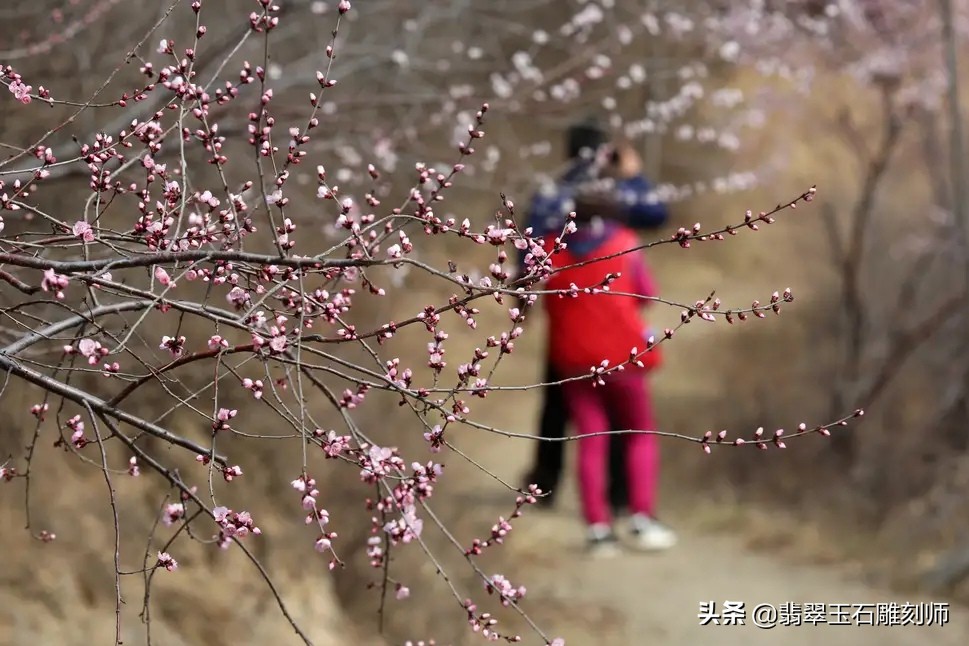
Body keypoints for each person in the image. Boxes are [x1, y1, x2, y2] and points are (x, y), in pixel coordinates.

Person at [519, 118, 669, 512]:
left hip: (567, 319)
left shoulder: (552, 193)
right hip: (616, 322)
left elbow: (527, 250)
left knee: (558, 407)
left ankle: (545, 484)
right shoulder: (615, 194)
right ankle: (621, 496)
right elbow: (656, 214)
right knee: (621, 417)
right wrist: (633, 176)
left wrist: (522, 299)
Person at [540, 210, 675, 556]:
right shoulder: (626, 243)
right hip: (623, 355)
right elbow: (646, 295)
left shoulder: (551, 248)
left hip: (574, 357)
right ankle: (640, 517)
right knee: (640, 433)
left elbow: (545, 300)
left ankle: (598, 529)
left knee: (591, 439)